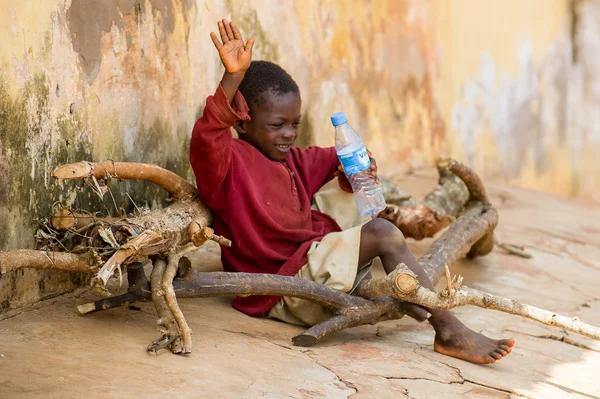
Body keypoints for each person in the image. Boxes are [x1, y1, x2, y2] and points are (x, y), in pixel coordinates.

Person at [190, 19, 514, 364]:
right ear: (241, 121)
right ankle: (449, 330)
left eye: (295, 123)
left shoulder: (291, 159)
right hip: (281, 290)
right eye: (276, 125)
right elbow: (208, 134)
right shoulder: (227, 164)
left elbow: (338, 158)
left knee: (349, 185)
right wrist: (232, 79)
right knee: (383, 233)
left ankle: (405, 285)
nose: (289, 134)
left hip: (306, 262)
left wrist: (359, 167)